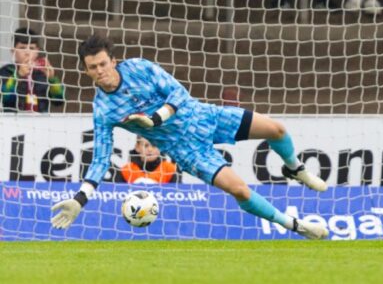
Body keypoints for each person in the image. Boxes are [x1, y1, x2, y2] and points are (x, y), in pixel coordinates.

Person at [50, 35, 329, 239]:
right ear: (86, 71)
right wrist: (80, 199)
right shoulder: (103, 110)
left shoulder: (139, 67)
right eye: (93, 68)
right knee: (240, 190)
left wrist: (155, 119)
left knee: (276, 130)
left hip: (204, 116)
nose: (100, 72)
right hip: (186, 149)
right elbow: (100, 159)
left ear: (113, 60)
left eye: (103, 64)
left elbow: (178, 94)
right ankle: (298, 226)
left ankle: (296, 169)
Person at [0, 28, 65, 113]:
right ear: (13, 51)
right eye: (22, 48)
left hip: (40, 121)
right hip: (14, 122)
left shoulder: (43, 72)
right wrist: (18, 75)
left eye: (31, 48)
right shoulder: (6, 71)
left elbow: (58, 101)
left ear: (37, 51)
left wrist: (52, 79)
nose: (27, 52)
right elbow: (5, 100)